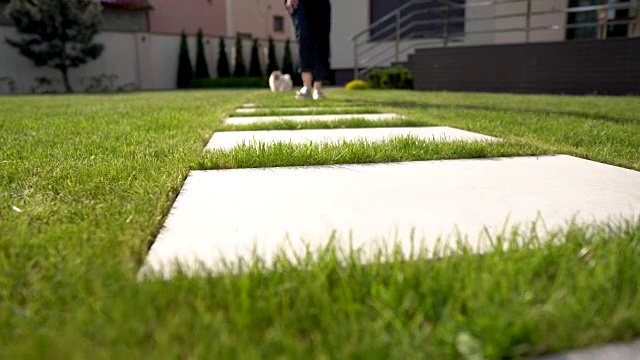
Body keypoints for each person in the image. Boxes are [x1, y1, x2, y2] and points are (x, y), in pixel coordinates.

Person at [285, 0, 332, 100]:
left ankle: (318, 88)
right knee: (304, 39)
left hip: (321, 4)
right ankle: (306, 87)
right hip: (302, 3)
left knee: (321, 41)